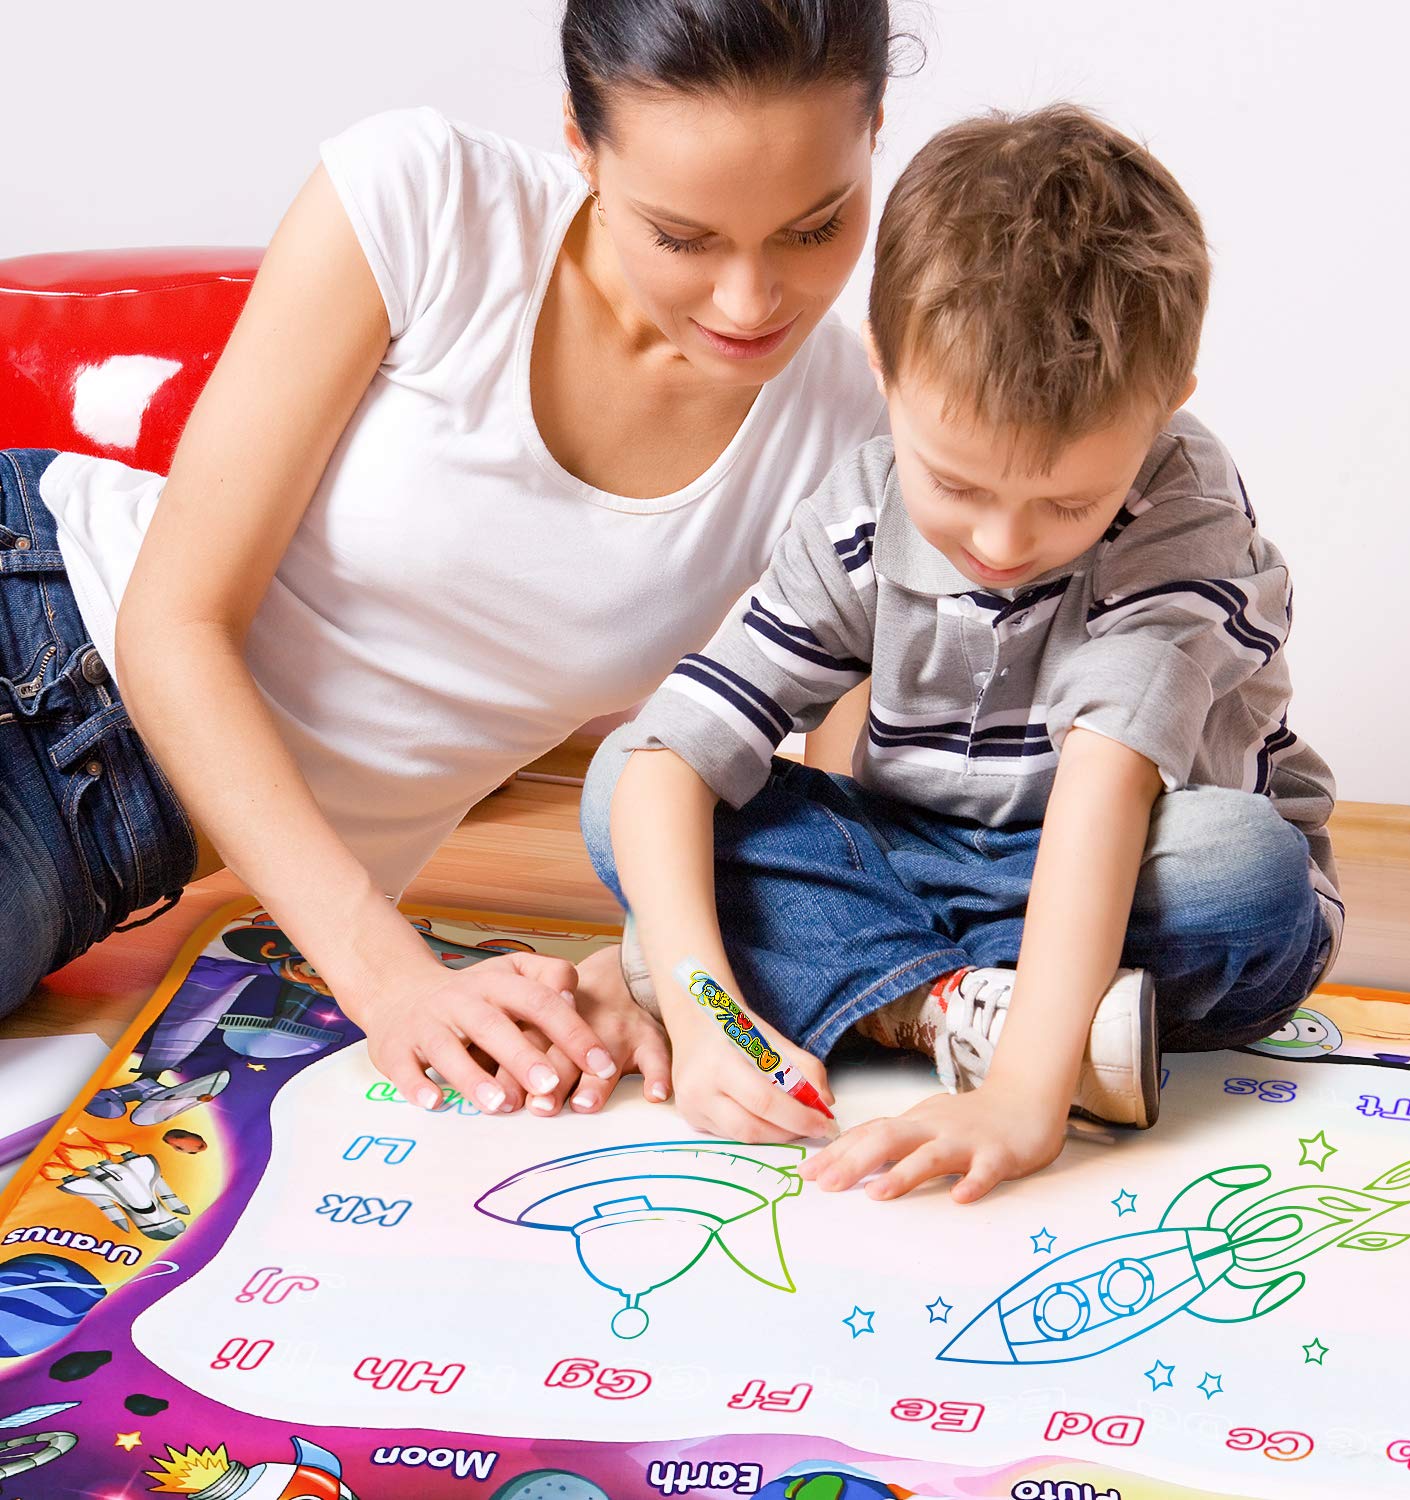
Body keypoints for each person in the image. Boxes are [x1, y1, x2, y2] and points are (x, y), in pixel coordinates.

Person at [0, 0, 900, 1119]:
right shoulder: (422, 198)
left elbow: (839, 814)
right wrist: (390, 979)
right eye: (683, 236)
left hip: (107, 848)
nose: (751, 301)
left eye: (814, 228)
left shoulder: (856, 448)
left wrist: (647, 975)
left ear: (873, 133)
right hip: (41, 615)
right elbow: (173, 621)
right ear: (582, 142)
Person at [583, 105, 1341, 1203]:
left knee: (1247, 873)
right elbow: (671, 758)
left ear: (1164, 409)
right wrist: (709, 1021)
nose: (1000, 543)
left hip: (1127, 862)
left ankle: (868, 983)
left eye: (1065, 501)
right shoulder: (857, 508)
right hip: (924, 857)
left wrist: (1024, 1100)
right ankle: (950, 1005)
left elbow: (1105, 787)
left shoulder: (1181, 507)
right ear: (884, 368)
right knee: (621, 787)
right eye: (958, 485)